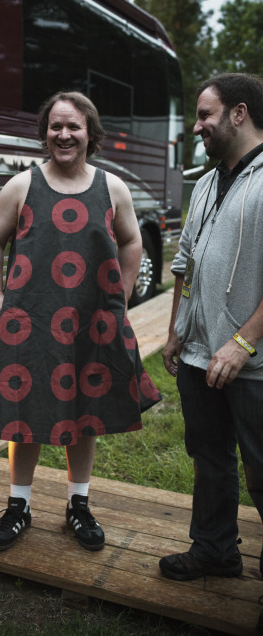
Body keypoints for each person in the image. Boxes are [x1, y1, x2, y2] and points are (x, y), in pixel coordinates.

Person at [0, 91, 161, 552]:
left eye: (73, 126)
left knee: (85, 410)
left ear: (89, 133)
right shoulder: (21, 187)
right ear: (45, 133)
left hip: (91, 323)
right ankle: (19, 505)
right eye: (55, 126)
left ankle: (78, 505)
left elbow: (133, 241)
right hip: (30, 323)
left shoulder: (112, 187)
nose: (64, 134)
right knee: (26, 411)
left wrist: (119, 298)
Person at [160, 74, 263, 626]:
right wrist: (178, 326)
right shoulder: (204, 181)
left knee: (262, 469)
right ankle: (216, 551)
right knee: (211, 461)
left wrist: (244, 342)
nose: (197, 126)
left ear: (239, 113)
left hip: (253, 364)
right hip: (199, 355)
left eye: (205, 115)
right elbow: (184, 261)